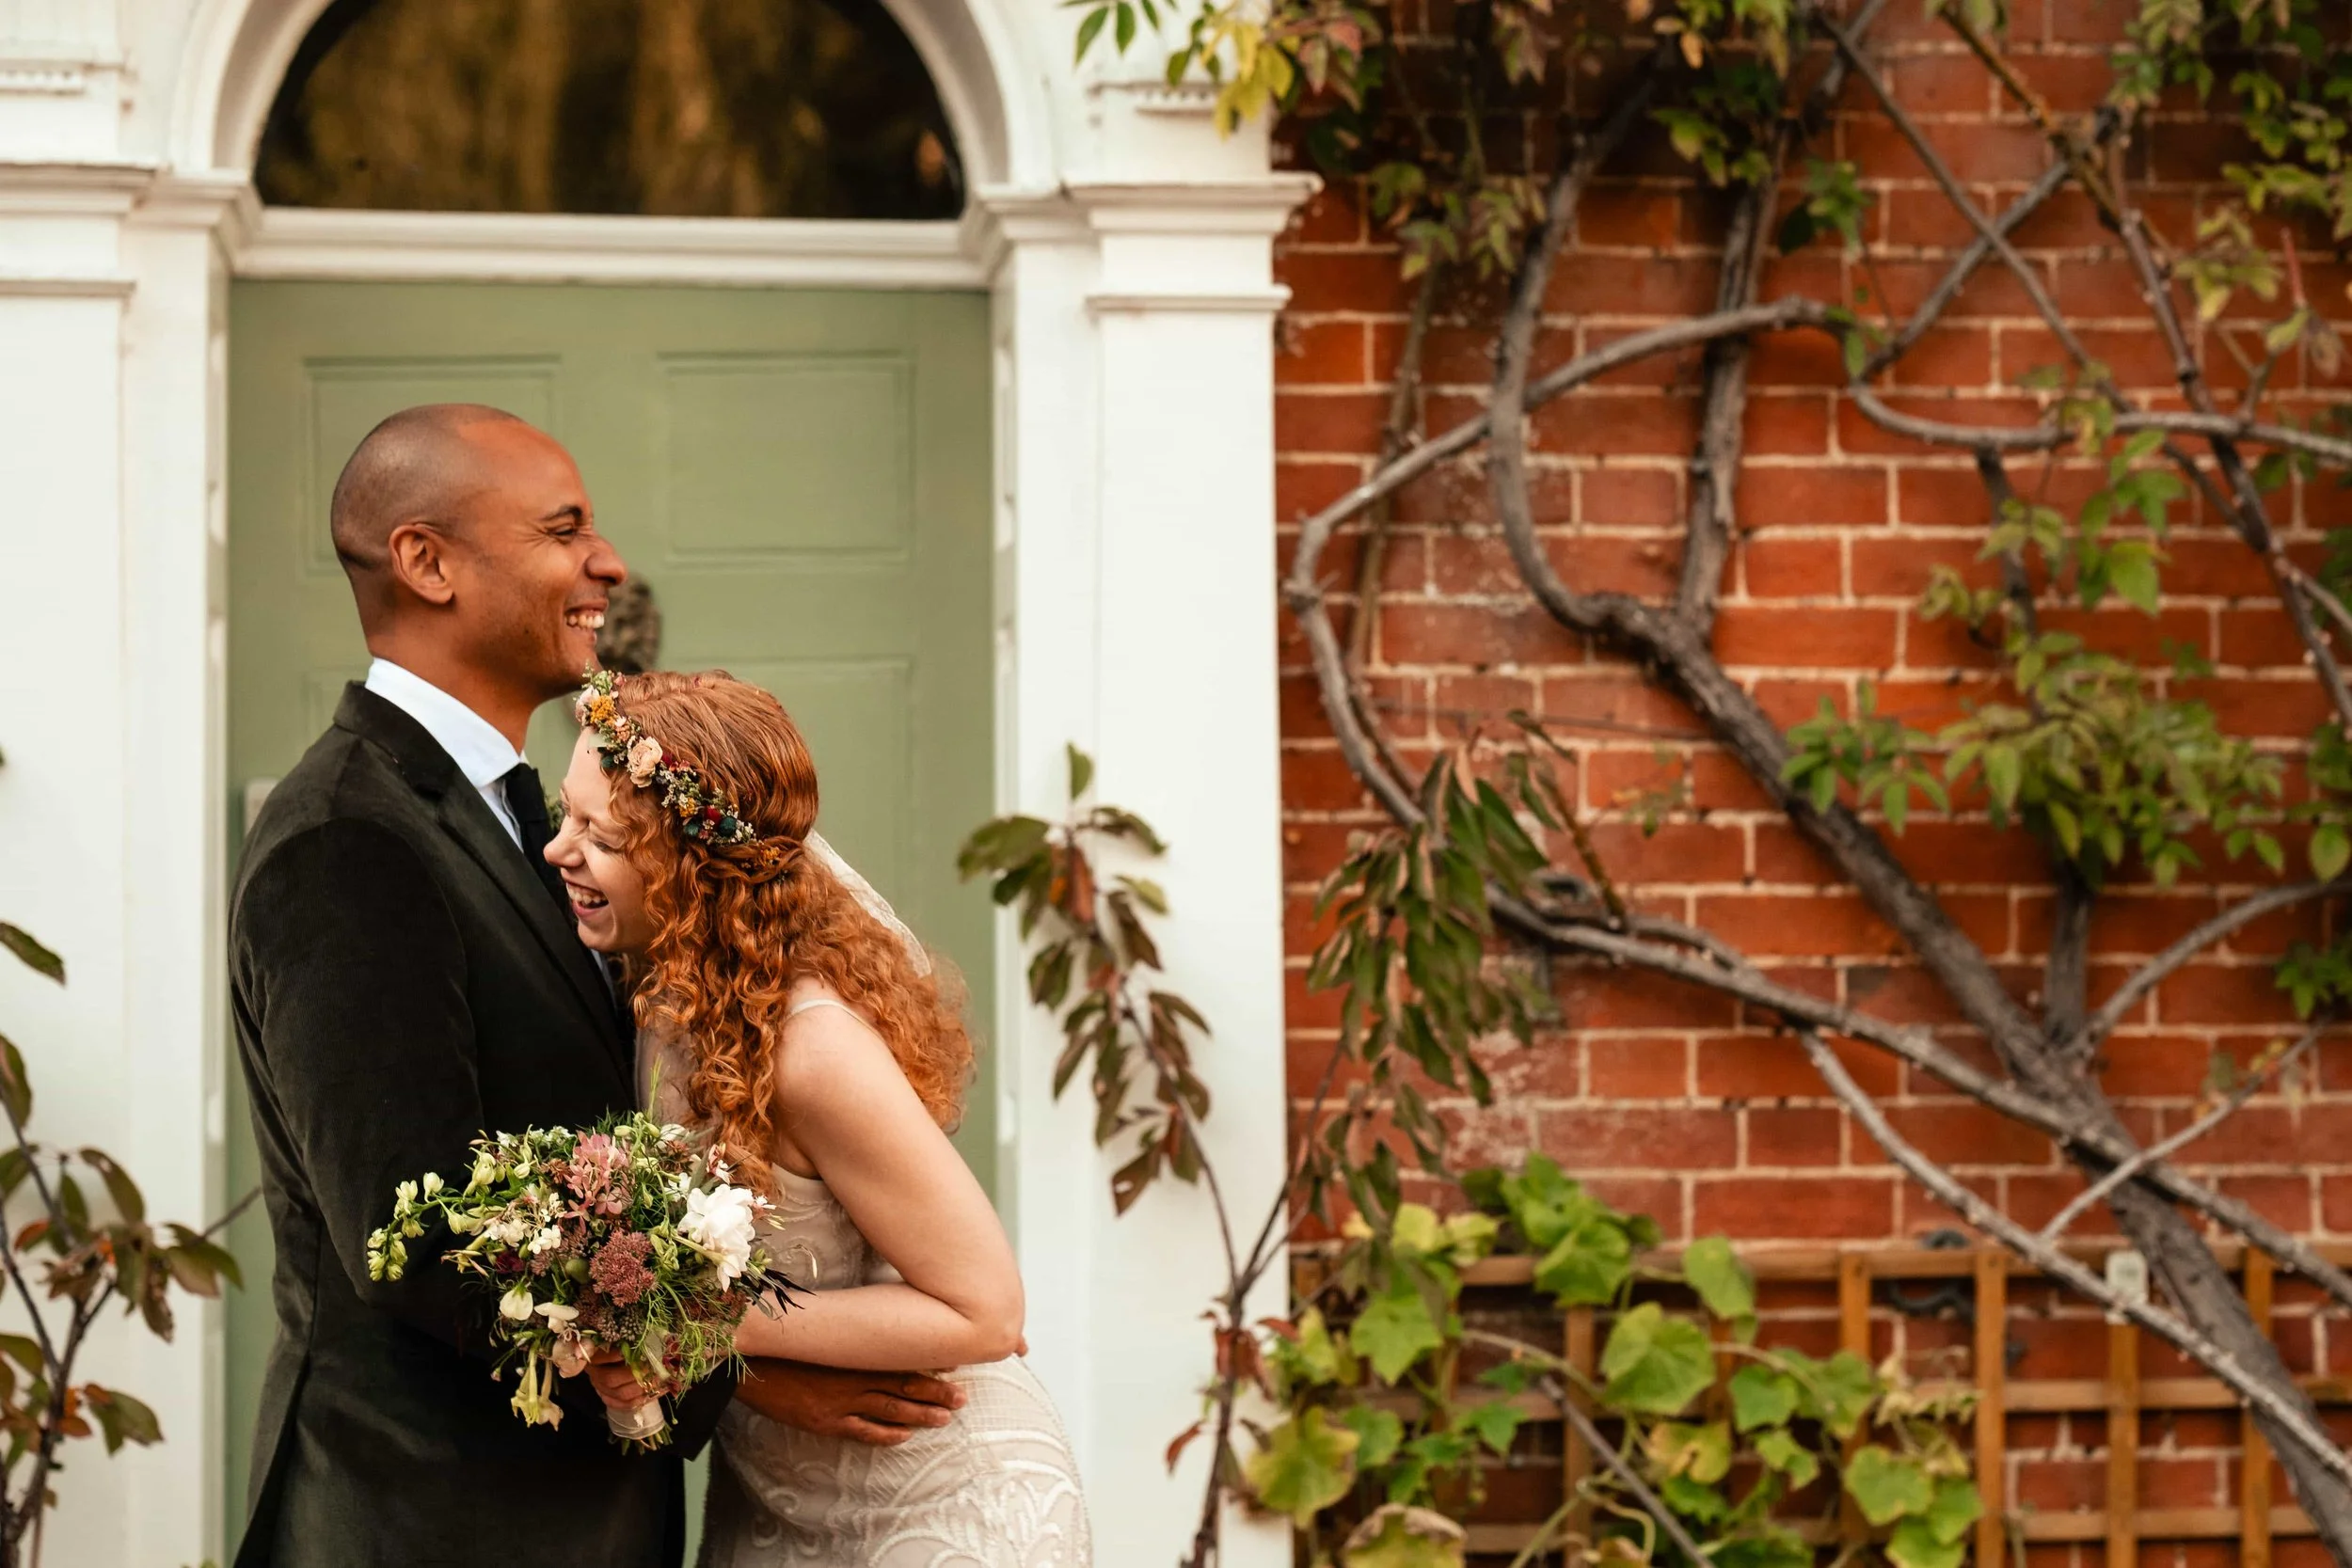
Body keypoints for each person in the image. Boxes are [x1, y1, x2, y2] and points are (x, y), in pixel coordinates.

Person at [228, 404, 966, 1568]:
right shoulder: (346, 836)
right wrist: (743, 1369)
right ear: (426, 562)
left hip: (577, 1519)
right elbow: (416, 1234)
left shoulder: (534, 819)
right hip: (430, 1523)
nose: (607, 563)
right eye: (565, 529)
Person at [544, 669, 1092, 1567]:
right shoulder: (657, 995)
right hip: (776, 1506)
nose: (556, 850)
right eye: (569, 815)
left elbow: (987, 1308)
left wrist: (708, 1327)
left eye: (599, 835)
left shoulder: (811, 1049)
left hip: (944, 1495)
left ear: (689, 863)